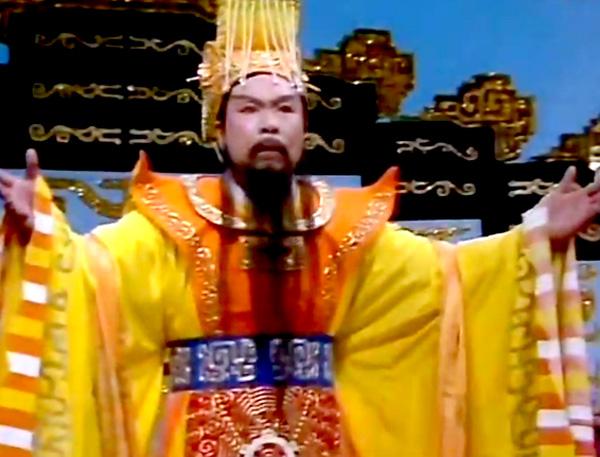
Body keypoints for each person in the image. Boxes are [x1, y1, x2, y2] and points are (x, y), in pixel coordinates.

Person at [1, 1, 599, 457]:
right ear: (219, 129)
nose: (269, 124)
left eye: (285, 108)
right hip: (194, 436)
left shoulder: (346, 228)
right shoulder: (169, 225)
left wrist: (535, 237)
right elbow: (94, 278)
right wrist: (44, 234)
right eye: (249, 108)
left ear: (304, 127)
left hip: (321, 435)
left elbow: (452, 281)